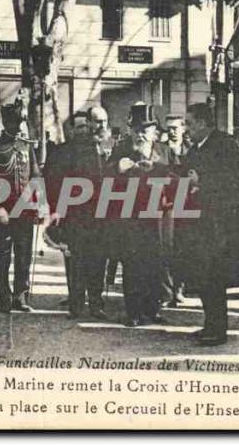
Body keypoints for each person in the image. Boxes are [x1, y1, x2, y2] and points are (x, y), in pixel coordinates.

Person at [183, 103, 239, 346]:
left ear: (202, 123)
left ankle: (218, 331)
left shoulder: (224, 144)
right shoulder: (196, 148)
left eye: (189, 123)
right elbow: (184, 173)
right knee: (204, 279)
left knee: (215, 279)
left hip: (221, 226)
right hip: (202, 225)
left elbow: (231, 180)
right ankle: (210, 325)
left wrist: (202, 182)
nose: (187, 129)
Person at [46, 106, 112, 320]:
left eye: (103, 121)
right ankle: (76, 305)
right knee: (77, 260)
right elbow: (56, 182)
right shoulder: (69, 150)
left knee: (99, 260)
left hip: (102, 216)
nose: (100, 126)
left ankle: (96, 303)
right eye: (96, 122)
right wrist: (57, 210)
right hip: (76, 214)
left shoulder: (110, 147)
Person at [108, 103, 170, 327]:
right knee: (133, 264)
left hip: (158, 217)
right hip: (131, 217)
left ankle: (153, 309)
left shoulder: (165, 151)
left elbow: (178, 176)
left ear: (155, 131)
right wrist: (118, 168)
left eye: (145, 129)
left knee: (156, 263)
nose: (140, 134)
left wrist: (155, 167)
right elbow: (105, 178)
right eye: (136, 129)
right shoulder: (121, 150)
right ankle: (133, 312)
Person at [0, 99, 44, 313]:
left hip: (24, 210)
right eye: (14, 123)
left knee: (24, 254)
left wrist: (37, 203)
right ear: (6, 124)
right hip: (4, 211)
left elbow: (35, 175)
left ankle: (21, 295)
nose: (18, 127)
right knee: (3, 255)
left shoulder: (26, 146)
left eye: (20, 123)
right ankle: (4, 296)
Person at [162, 114, 192, 306]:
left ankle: (179, 288)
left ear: (183, 129)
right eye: (169, 128)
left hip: (187, 204)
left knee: (183, 248)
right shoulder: (161, 150)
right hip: (166, 205)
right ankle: (166, 290)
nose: (172, 131)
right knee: (165, 248)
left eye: (175, 127)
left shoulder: (191, 150)